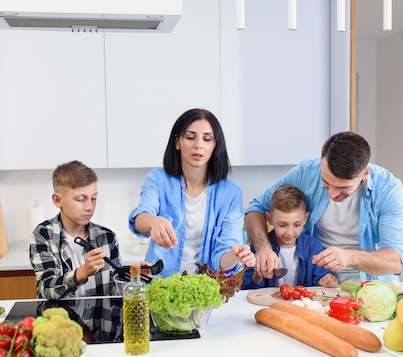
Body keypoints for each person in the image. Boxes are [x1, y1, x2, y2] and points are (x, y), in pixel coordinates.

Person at [244, 131, 403, 283]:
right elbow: (255, 210)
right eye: (326, 183)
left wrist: (350, 257)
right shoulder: (306, 173)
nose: (332, 194)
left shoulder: (388, 189)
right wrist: (263, 247)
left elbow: (398, 259)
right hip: (316, 285)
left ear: (365, 174)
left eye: (343, 188)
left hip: (371, 289)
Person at [128, 108, 256, 278]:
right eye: (190, 137)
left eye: (207, 139)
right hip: (160, 285)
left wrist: (234, 255)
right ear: (177, 142)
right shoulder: (158, 179)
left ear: (215, 145)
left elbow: (223, 256)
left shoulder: (230, 193)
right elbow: (140, 218)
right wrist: (153, 221)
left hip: (204, 290)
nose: (198, 145)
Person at [30, 160, 122, 340]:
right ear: (57, 200)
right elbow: (46, 289)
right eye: (81, 199)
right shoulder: (44, 235)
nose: (89, 206)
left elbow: (115, 293)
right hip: (62, 336)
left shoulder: (107, 237)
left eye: (94, 198)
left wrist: (134, 277)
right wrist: (82, 272)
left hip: (104, 335)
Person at [241, 184, 339, 289]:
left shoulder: (313, 247)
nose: (290, 233)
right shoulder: (260, 248)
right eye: (282, 225)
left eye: (297, 225)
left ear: (305, 219)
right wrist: (258, 274)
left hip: (301, 304)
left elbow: (320, 278)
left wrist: (325, 280)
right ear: (269, 218)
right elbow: (246, 288)